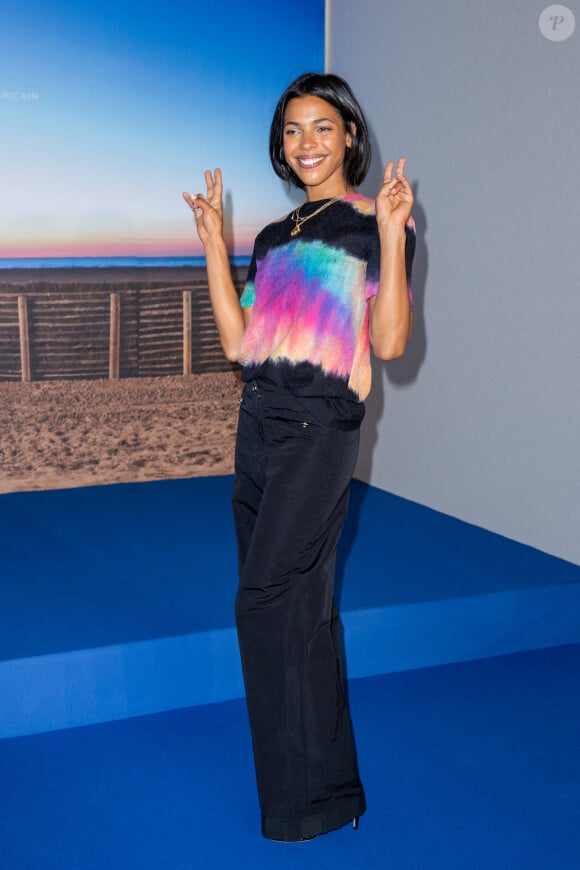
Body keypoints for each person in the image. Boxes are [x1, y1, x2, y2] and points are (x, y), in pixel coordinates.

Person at [183, 72, 415, 842]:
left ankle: (301, 804)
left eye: (322, 127)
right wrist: (216, 247)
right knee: (301, 610)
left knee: (265, 604)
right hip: (258, 426)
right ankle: (328, 794)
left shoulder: (369, 224)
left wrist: (389, 232)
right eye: (292, 130)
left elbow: (385, 344)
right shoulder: (274, 238)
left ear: (349, 133)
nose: (306, 143)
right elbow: (237, 343)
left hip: (319, 430)